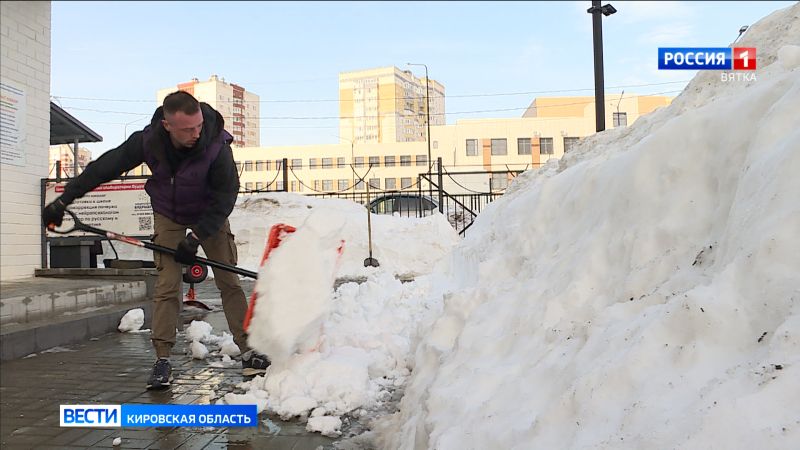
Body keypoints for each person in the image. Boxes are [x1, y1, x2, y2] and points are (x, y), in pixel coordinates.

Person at [42, 91, 270, 389]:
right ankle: (162, 359)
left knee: (229, 281)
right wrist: (64, 200)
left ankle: (249, 350)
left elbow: (226, 196)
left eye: (199, 126)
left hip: (209, 216)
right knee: (167, 286)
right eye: (188, 129)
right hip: (169, 215)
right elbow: (104, 167)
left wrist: (196, 238)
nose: (196, 134)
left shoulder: (216, 146)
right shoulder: (149, 141)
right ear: (167, 125)